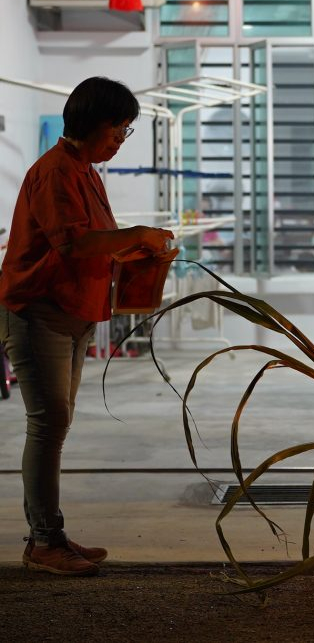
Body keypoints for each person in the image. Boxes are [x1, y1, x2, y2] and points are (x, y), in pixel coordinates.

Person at [0, 77, 174, 576]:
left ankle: (51, 532)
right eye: (117, 129)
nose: (120, 140)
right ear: (91, 125)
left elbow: (98, 241)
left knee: (56, 424)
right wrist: (137, 234)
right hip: (39, 311)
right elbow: (74, 245)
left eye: (126, 132)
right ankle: (44, 541)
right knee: (48, 423)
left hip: (73, 311)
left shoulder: (86, 172)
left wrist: (139, 248)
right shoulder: (55, 172)